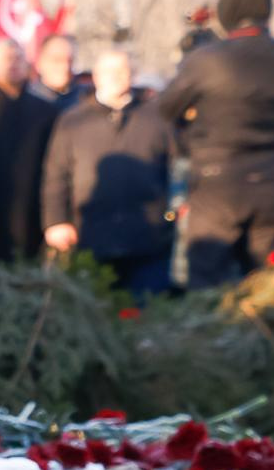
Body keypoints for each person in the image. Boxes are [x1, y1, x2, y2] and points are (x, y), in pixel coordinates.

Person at [158, 0, 274, 287]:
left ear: (229, 7)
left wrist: (190, 126)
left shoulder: (208, 59)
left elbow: (166, 108)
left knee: (209, 280)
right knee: (272, 281)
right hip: (271, 178)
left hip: (217, 181)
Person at [40, 48, 176, 298]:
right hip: (91, 235)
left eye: (121, 70)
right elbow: (56, 174)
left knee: (147, 314)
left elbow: (176, 167)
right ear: (96, 76)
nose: (115, 76)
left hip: (147, 238)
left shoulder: (155, 117)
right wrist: (56, 221)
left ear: (132, 74)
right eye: (108, 71)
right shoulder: (73, 120)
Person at [0, 38, 59, 263]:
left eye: (18, 57)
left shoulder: (46, 111)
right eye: (6, 59)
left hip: (34, 212)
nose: (13, 64)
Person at [32, 32, 83, 112]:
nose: (65, 67)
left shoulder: (84, 99)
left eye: (70, 61)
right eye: (57, 60)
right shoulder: (26, 102)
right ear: (40, 63)